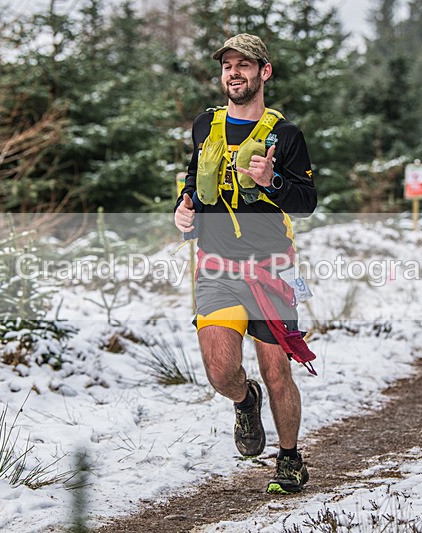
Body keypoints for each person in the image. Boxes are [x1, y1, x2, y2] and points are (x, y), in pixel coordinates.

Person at [174, 33, 317, 494]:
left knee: (277, 372)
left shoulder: (286, 135)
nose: (234, 73)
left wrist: (272, 180)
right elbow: (194, 180)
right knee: (220, 371)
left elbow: (306, 202)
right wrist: (182, 208)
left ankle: (290, 459)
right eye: (227, 66)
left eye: (244, 65)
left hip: (271, 270)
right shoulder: (205, 125)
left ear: (264, 72)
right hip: (216, 267)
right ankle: (243, 398)